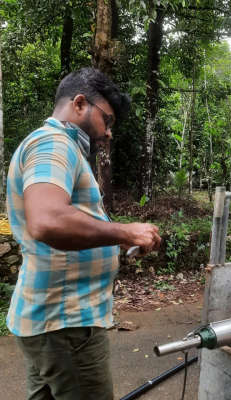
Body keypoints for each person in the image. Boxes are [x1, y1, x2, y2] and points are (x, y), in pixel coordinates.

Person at [6, 67, 161, 400]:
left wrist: (121, 237)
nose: (107, 133)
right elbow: (47, 220)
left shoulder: (64, 150)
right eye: (107, 120)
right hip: (67, 324)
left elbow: (65, 222)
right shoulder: (54, 143)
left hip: (53, 321)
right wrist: (126, 231)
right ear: (79, 104)